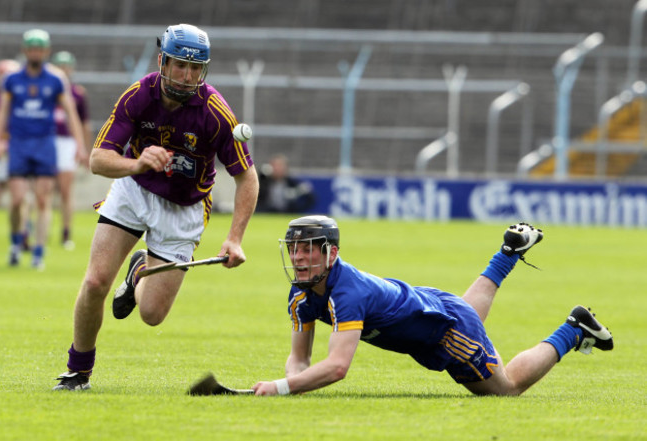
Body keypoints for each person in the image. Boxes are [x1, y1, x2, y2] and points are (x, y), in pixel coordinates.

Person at [53, 24, 259, 391]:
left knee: (151, 315)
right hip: (133, 191)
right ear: (163, 61)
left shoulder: (215, 112)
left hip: (185, 208)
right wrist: (136, 165)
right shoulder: (138, 96)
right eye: (180, 65)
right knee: (97, 280)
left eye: (196, 68)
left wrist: (235, 238)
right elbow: (98, 160)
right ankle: (78, 371)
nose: (188, 76)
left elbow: (247, 177)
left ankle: (137, 275)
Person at [251, 217, 613, 396]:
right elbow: (300, 358)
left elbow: (337, 367)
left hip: (444, 332)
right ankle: (508, 253)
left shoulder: (347, 294)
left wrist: (282, 388)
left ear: (331, 253)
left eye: (307, 248)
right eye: (293, 248)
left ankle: (573, 329)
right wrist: (287, 384)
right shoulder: (300, 294)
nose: (297, 258)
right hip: (435, 305)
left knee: (506, 388)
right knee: (466, 311)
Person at [0, 29, 85, 269]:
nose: (35, 52)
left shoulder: (56, 79)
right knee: (16, 200)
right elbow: (3, 112)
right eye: (32, 48)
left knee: (43, 198)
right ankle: (16, 243)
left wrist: (80, 144)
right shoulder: (12, 80)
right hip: (18, 144)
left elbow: (70, 112)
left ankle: (38, 251)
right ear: (25, 50)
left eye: (40, 48)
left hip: (45, 145)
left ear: (46, 51)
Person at [51, 50, 91, 250]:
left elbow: (84, 123)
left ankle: (66, 232)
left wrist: (83, 148)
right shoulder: (47, 89)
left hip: (67, 143)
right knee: (44, 189)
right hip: (48, 141)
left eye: (66, 66)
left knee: (66, 190)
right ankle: (39, 233)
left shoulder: (77, 93)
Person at [0, 59, 20, 207]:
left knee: (18, 188)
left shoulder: (20, 96)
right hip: (1, 147)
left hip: (16, 146)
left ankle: (23, 223)